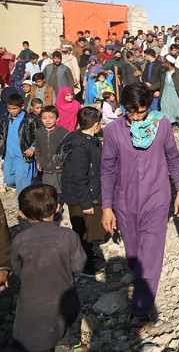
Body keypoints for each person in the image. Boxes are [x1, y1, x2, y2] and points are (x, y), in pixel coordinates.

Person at [101, 83, 179, 338]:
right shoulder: (113, 131)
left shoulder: (161, 126)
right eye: (132, 111)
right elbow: (107, 170)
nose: (137, 117)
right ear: (123, 107)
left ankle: (139, 311)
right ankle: (139, 276)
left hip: (156, 199)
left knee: (150, 255)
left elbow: (173, 158)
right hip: (124, 202)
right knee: (134, 254)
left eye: (141, 111)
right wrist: (107, 207)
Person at [11, 185, 86, 352]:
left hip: (31, 302)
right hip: (64, 300)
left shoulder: (20, 240)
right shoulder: (69, 236)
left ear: (21, 214)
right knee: (62, 331)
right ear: (57, 208)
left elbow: (17, 269)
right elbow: (78, 265)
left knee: (32, 337)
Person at [55, 107, 107, 279]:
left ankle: (87, 257)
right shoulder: (81, 146)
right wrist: (86, 203)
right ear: (96, 124)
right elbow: (79, 177)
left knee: (88, 232)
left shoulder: (79, 138)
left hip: (84, 194)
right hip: (82, 198)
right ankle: (83, 266)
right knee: (84, 233)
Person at [0, 93, 38, 196]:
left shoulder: (29, 120)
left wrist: (33, 147)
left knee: (22, 187)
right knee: (9, 179)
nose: (11, 111)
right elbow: (2, 134)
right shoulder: (6, 119)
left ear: (22, 106)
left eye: (14, 108)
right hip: (9, 156)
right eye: (9, 108)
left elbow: (38, 135)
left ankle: (23, 209)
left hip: (23, 157)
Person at [35, 105, 69, 200]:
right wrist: (38, 160)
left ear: (57, 118)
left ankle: (59, 207)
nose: (48, 121)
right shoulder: (38, 132)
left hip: (60, 168)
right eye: (44, 118)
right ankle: (54, 211)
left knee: (61, 191)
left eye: (51, 118)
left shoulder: (63, 132)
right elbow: (38, 149)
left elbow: (68, 149)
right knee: (49, 191)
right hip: (47, 169)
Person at [159, 55, 179, 125]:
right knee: (166, 116)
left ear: (168, 64)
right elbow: (160, 83)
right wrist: (150, 87)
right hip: (166, 98)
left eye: (164, 62)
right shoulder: (164, 73)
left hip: (176, 97)